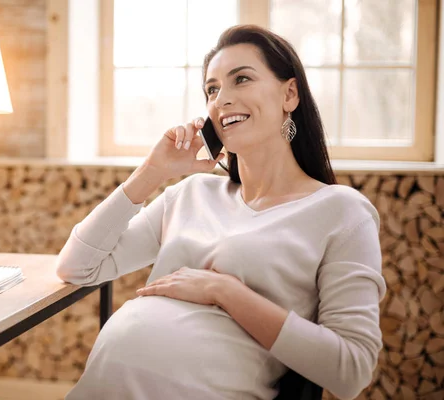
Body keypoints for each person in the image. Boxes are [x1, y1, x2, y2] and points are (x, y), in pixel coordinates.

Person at [56, 25, 386, 400]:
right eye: (212, 89)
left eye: (241, 79)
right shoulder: (191, 194)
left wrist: (223, 290)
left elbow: (352, 371)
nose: (221, 100)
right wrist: (153, 172)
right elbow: (77, 267)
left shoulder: (341, 211)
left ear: (289, 94)